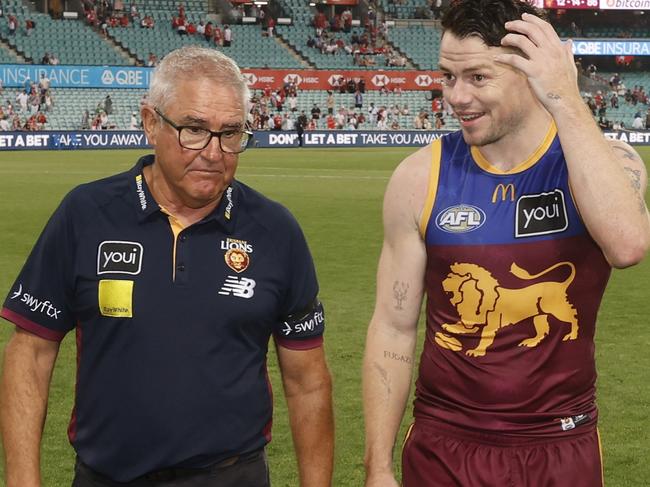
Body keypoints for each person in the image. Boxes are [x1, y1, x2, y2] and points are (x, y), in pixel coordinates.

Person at [0, 45, 334, 487]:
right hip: (107, 477)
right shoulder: (85, 213)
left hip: (233, 477)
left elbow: (307, 382)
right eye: (194, 129)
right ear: (150, 123)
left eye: (231, 133)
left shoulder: (275, 229)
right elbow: (31, 353)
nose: (214, 152)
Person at [362, 1, 650, 486]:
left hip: (561, 443)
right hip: (444, 446)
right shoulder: (419, 177)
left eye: (477, 77)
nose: (456, 96)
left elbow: (627, 246)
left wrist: (565, 98)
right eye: (448, 76)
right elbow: (393, 327)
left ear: (528, 72)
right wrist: (378, 467)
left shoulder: (607, 162)